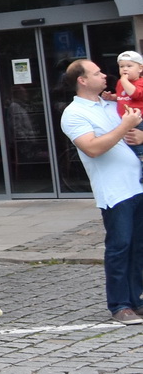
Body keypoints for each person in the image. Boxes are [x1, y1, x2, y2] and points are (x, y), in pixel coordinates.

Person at [60, 57, 143, 325]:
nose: (105, 75)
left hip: (137, 184)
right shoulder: (74, 114)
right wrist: (124, 127)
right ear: (82, 81)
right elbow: (93, 148)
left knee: (139, 247)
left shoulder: (112, 103)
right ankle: (120, 305)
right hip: (115, 191)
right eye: (96, 73)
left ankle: (137, 299)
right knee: (120, 246)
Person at [110, 51, 143, 117]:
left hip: (138, 118)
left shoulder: (141, 81)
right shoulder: (120, 81)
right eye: (121, 66)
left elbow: (135, 94)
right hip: (123, 117)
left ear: (140, 68)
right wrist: (112, 97)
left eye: (129, 66)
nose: (125, 69)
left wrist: (124, 81)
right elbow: (122, 96)